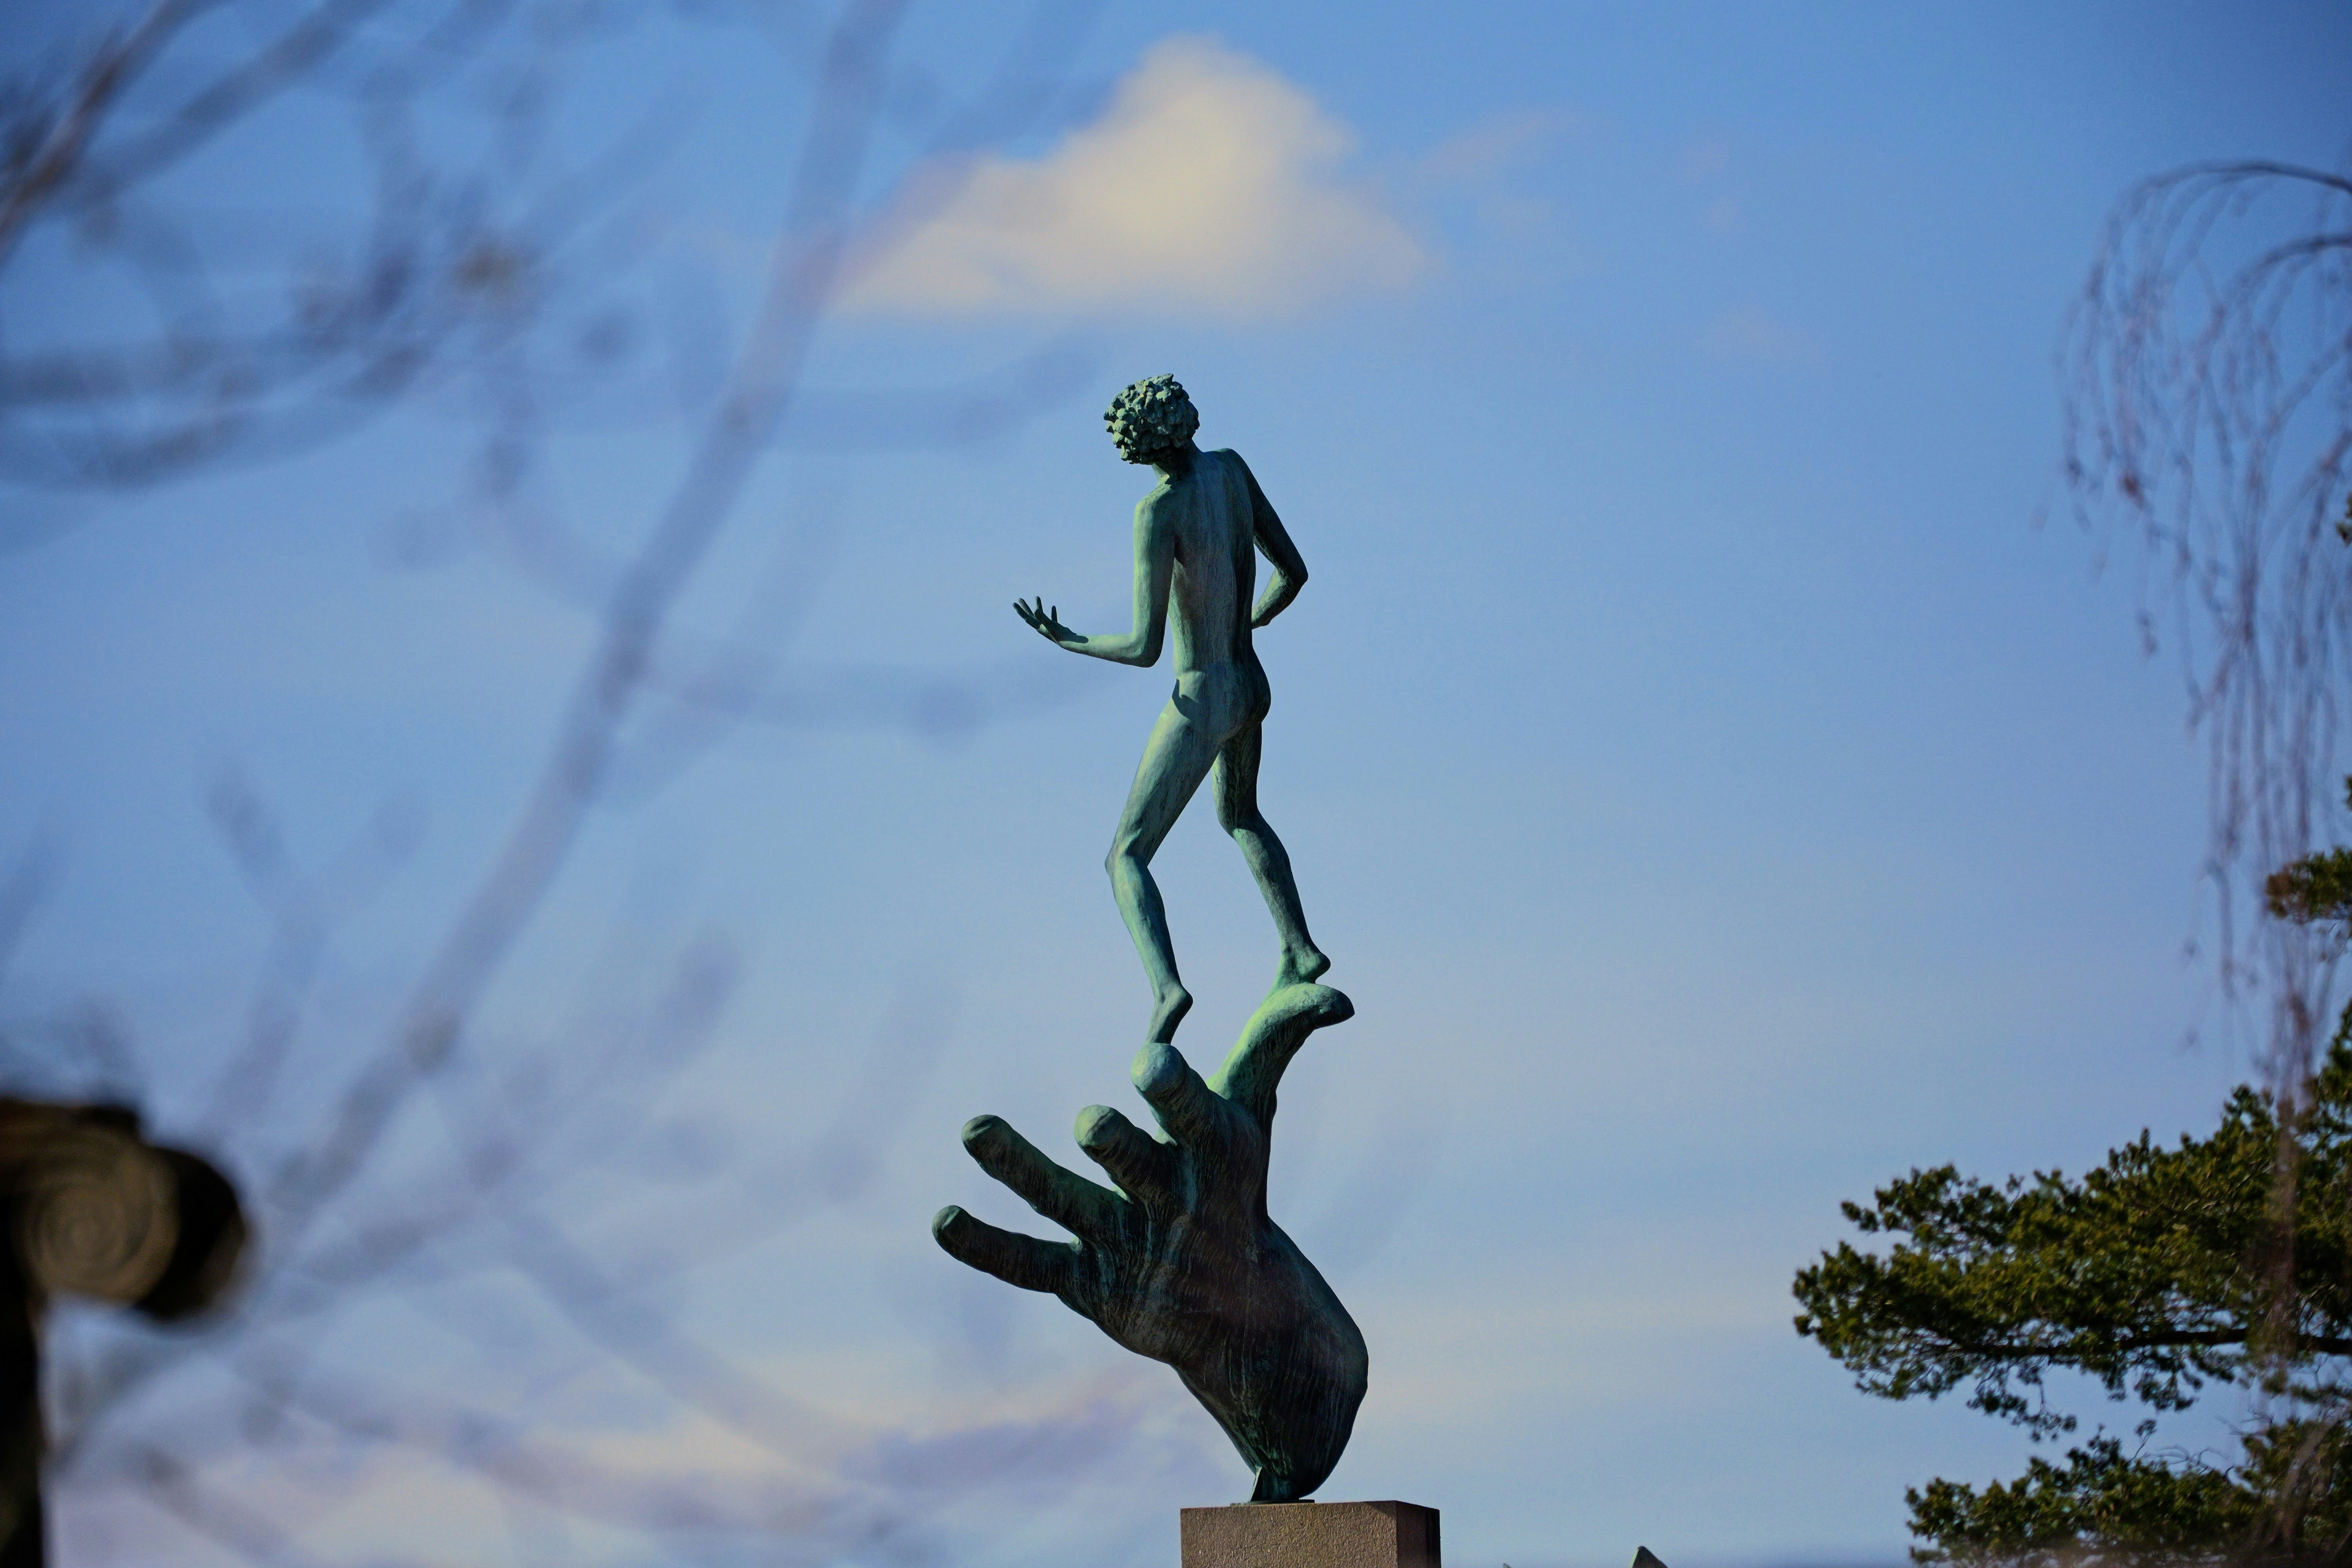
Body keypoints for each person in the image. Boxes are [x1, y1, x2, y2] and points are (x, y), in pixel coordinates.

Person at [1016, 374, 1329, 1043]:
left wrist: (1070, 640)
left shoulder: (1158, 510)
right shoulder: (1232, 470)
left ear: (1137, 447)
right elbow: (1294, 573)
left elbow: (1143, 647)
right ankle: (1300, 947)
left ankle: (1167, 990)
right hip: (1251, 684)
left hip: (1204, 695)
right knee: (1241, 815)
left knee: (1125, 856)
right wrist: (1248, 622)